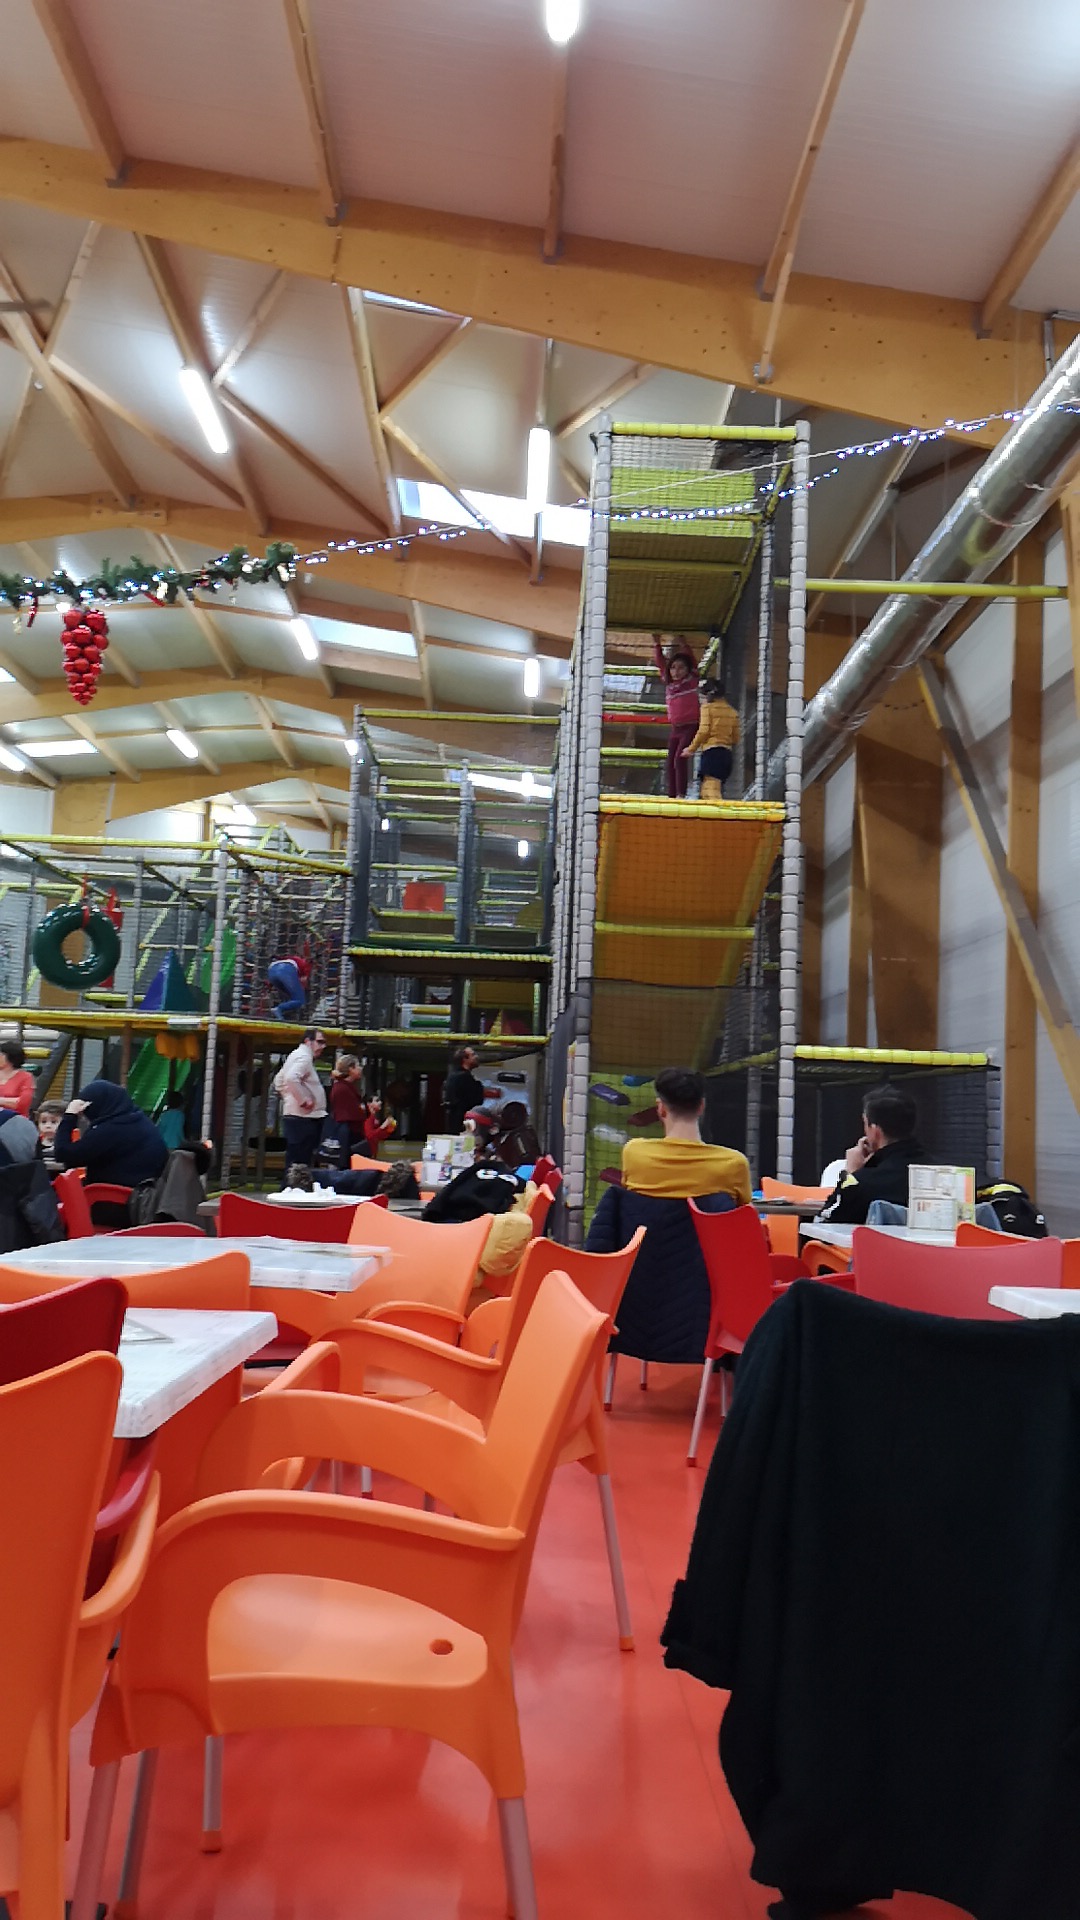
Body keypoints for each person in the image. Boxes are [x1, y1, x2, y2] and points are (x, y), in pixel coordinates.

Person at [621, 1066, 751, 1205]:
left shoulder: (634, 1153)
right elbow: (744, 1211)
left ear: (661, 1108)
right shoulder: (733, 1164)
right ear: (702, 1106)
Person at [817, 1082, 925, 1226]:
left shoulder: (863, 1183)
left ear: (875, 1131)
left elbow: (826, 1220)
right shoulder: (940, 1174)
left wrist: (850, 1175)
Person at [52, 1080, 169, 1191]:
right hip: (143, 1192)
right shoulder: (136, 1120)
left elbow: (64, 1154)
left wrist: (70, 1116)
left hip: (115, 1195)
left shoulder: (111, 1129)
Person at [653, 634, 700, 800]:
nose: (676, 671)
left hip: (691, 725)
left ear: (687, 670)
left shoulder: (691, 681)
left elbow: (692, 661)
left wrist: (683, 644)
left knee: (680, 758)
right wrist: (657, 645)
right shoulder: (670, 684)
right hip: (676, 728)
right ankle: (672, 795)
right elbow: (661, 664)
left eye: (681, 668)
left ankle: (681, 793)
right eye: (673, 668)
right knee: (670, 762)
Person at [274, 1028, 327, 1169]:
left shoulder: (296, 1055)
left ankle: (292, 1182)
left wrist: (289, 1098)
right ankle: (295, 1183)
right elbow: (291, 1078)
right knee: (300, 1162)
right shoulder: (304, 1056)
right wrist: (303, 1100)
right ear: (308, 1041)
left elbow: (279, 1080)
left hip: (298, 1116)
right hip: (303, 1119)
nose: (323, 1046)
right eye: (320, 1042)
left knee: (295, 1161)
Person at [682, 676, 740, 799]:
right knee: (706, 791)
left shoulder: (707, 708)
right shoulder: (732, 712)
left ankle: (720, 811)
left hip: (712, 752)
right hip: (726, 754)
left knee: (711, 790)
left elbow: (704, 731)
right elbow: (736, 738)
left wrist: (691, 749)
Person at [443, 1045, 488, 1132]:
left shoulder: (453, 1076)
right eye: (473, 1055)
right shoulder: (464, 1078)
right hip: (463, 1122)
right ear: (465, 1059)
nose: (476, 1057)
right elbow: (475, 1100)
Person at [328, 1053, 366, 1150]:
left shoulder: (345, 1086)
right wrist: (363, 1110)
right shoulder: (342, 1089)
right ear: (351, 1069)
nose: (360, 1068)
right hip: (347, 1134)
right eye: (358, 1066)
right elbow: (352, 1113)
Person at [267, 951, 311, 1022]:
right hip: (286, 970)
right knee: (300, 1000)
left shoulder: (286, 959)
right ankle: (279, 1009)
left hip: (271, 971)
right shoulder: (303, 962)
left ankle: (281, 1014)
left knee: (289, 997)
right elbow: (304, 980)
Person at [0, 1039, 35, 1116]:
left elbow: (23, 1103)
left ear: (10, 1057)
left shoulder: (25, 1077)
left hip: (15, 1119)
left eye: (1, 1055)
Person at [362, 1092, 397, 1159]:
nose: (380, 1102)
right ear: (369, 1104)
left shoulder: (373, 1118)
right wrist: (383, 1126)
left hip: (372, 1152)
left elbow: (378, 1136)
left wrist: (389, 1130)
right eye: (377, 1101)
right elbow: (369, 1136)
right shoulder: (368, 1118)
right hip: (368, 1153)